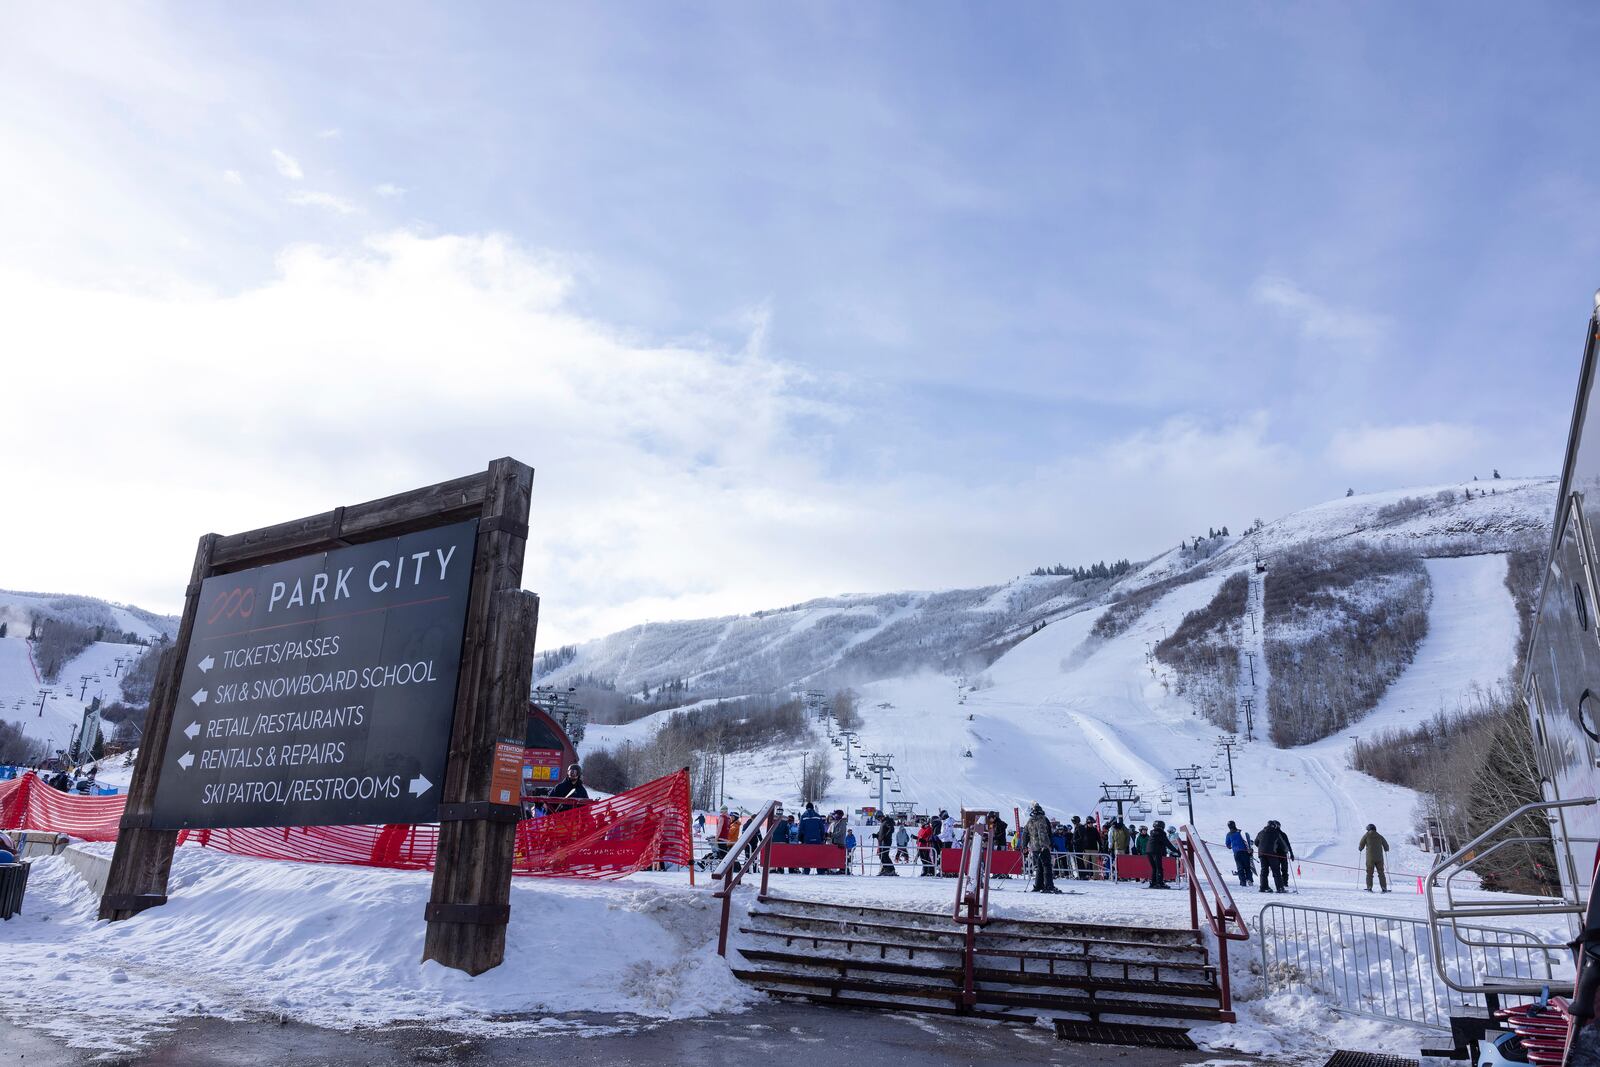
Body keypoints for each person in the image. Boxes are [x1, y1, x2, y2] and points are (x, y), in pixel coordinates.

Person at [1025, 803, 1060, 893]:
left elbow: (1025, 834)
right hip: (1043, 846)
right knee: (1047, 865)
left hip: (1034, 847)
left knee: (1039, 866)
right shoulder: (1043, 819)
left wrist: (1024, 845)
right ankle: (1049, 885)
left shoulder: (1029, 821)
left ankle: (1038, 885)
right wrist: (1046, 845)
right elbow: (1045, 833)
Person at [1256, 819, 1293, 893]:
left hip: (1261, 854)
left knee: (1264, 870)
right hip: (1271, 854)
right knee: (1276, 871)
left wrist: (1262, 848)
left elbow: (1256, 842)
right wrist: (1287, 851)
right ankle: (1280, 888)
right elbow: (1283, 845)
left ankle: (1263, 887)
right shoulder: (1276, 833)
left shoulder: (1260, 832)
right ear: (1274, 826)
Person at [1358, 823, 1390, 893]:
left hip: (1370, 858)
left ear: (1369, 829)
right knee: (1381, 873)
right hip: (1379, 858)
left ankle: (1369, 887)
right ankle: (1384, 888)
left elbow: (1361, 845)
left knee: (1369, 873)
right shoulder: (1379, 836)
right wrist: (1386, 849)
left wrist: (1360, 849)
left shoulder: (1366, 835)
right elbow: (1386, 846)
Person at [1224, 820, 1254, 888]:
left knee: (1240, 868)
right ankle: (1250, 880)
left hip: (1237, 853)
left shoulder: (1229, 834)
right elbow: (1247, 839)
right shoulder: (1240, 832)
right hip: (1245, 852)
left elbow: (1228, 845)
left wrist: (1231, 845)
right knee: (1247, 867)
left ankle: (1243, 882)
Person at [1147, 820, 1176, 889]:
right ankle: (1159, 883)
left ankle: (1153, 883)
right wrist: (1176, 851)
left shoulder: (1152, 833)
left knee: (1154, 868)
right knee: (1159, 868)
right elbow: (1168, 843)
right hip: (1156, 852)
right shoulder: (1161, 833)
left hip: (1148, 851)